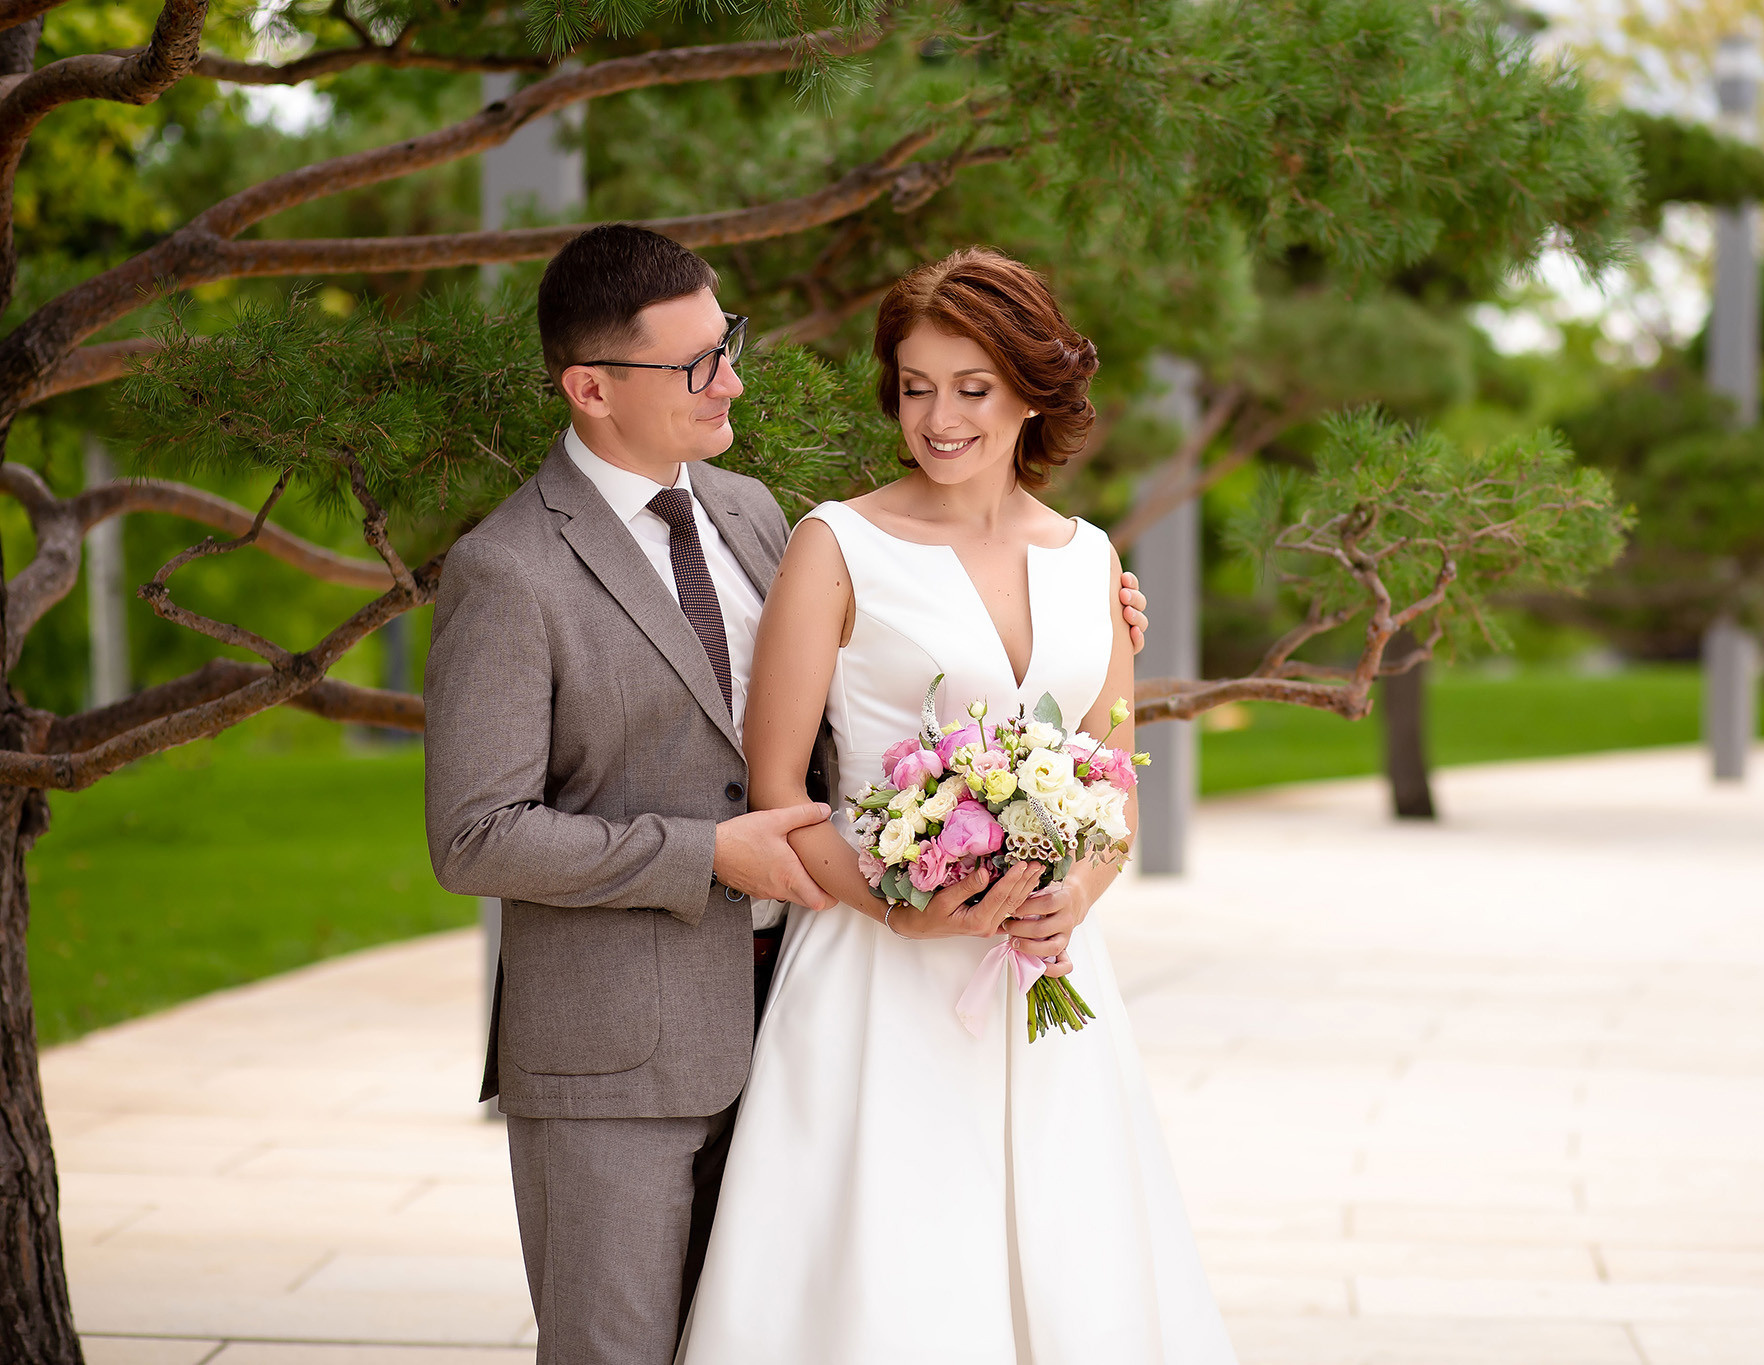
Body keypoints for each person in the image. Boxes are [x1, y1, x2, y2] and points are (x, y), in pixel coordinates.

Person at [423, 225, 1150, 1365]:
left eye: (730, 345)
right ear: (591, 387)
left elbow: (882, 667)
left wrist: (1078, 635)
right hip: (625, 1045)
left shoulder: (751, 513)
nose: (735, 378)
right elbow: (473, 837)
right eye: (699, 363)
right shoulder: (507, 570)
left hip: (790, 1006)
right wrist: (713, 855)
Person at [681, 247, 1237, 1365]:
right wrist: (897, 904)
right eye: (915, 384)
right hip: (873, 984)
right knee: (891, 1287)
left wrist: (1072, 890)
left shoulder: (1090, 561)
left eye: (970, 388)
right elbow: (778, 793)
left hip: (1045, 982)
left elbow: (1110, 782)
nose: (937, 417)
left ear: (1033, 389)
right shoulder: (836, 545)